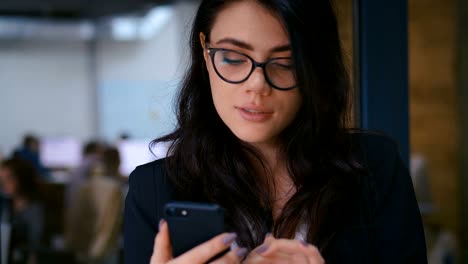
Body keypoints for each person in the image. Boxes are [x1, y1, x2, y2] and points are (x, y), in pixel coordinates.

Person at [125, 0, 428, 263]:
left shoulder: (374, 168)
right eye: (232, 58)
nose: (257, 84)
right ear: (206, 54)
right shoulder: (153, 191)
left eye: (285, 63)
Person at [0, 158, 44, 264]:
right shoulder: (5, 204)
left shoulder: (34, 210)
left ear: (21, 179)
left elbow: (35, 247)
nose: (4, 184)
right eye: (2, 179)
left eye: (9, 178)